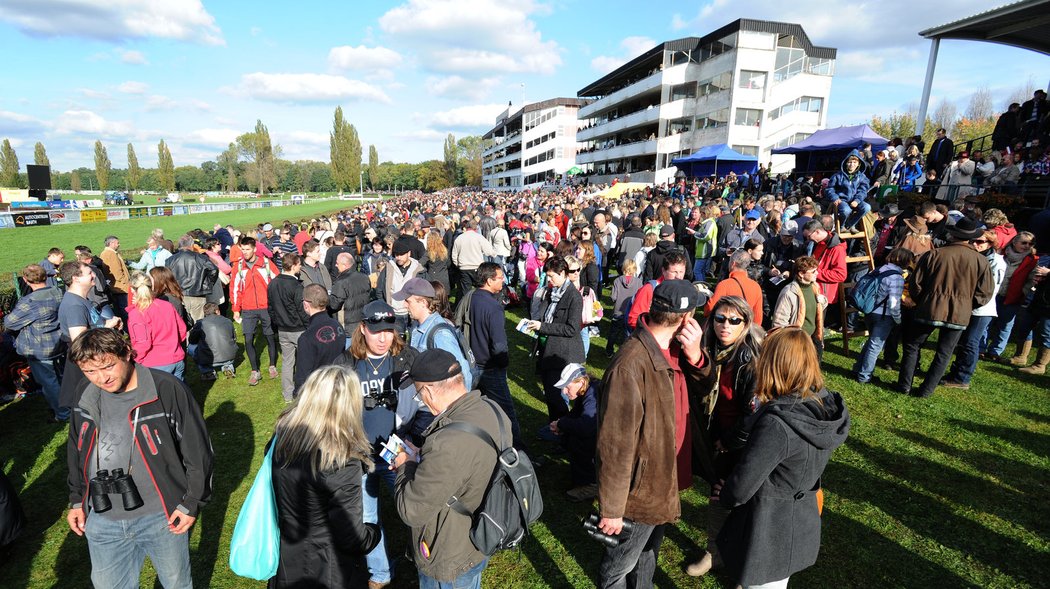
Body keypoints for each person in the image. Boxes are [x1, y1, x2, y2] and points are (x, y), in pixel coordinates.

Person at [65, 328, 213, 589]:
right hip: (102, 518)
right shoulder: (84, 391)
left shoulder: (166, 389)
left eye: (108, 366)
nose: (101, 378)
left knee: (176, 584)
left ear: (127, 354)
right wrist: (77, 499)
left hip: (161, 517)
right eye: (89, 371)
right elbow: (77, 447)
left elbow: (197, 451)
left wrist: (191, 502)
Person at [712, 327, 850, 589]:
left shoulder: (778, 424)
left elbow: (744, 483)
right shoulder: (825, 405)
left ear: (774, 364)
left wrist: (727, 494)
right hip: (799, 519)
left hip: (768, 527)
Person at [595, 280, 706, 588]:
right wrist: (613, 510)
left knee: (647, 555)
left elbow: (702, 391)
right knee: (618, 568)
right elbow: (615, 445)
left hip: (662, 482)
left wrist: (696, 355)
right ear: (685, 318)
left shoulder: (673, 349)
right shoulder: (630, 366)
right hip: (640, 493)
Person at [391, 348, 511, 589]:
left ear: (428, 391)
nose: (420, 401)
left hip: (449, 553)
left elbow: (412, 510)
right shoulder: (494, 410)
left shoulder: (447, 443)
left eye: (418, 395)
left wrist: (406, 465)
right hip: (481, 534)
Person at [336, 299, 423, 589]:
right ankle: (381, 572)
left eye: (389, 330)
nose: (384, 337)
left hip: (398, 450)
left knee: (415, 509)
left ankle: (424, 561)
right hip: (359, 454)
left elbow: (426, 403)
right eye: (376, 331)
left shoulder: (407, 357)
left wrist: (415, 440)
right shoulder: (346, 362)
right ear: (363, 329)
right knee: (367, 515)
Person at [269, 365, 381, 588]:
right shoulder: (340, 460)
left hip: (287, 558)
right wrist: (373, 532)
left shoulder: (282, 440)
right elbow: (351, 537)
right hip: (328, 569)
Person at [686, 295, 765, 579]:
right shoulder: (708, 348)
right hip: (715, 437)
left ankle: (744, 564)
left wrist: (729, 442)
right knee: (717, 495)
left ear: (746, 323)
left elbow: (754, 414)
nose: (726, 326)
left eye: (734, 320)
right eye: (720, 318)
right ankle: (714, 552)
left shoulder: (751, 358)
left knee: (742, 501)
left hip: (742, 444)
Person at [898, 218, 995, 397]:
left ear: (953, 234)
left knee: (913, 345)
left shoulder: (934, 255)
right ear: (971, 238)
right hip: (958, 314)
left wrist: (922, 300)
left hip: (930, 308)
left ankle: (905, 386)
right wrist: (966, 305)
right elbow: (985, 293)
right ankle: (926, 391)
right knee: (944, 353)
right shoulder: (981, 261)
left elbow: (915, 284)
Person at [469, 262, 525, 450]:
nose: (504, 281)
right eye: (500, 278)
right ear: (489, 280)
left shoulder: (472, 298)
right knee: (506, 412)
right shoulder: (493, 306)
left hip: (472, 363)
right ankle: (518, 452)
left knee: (479, 410)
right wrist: (503, 362)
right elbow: (499, 344)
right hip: (490, 367)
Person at [3, 264, 68, 422]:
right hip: (60, 342)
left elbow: (10, 323)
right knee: (61, 377)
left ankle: (63, 414)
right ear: (45, 276)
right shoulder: (59, 292)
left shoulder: (29, 301)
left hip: (40, 347)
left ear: (25, 280)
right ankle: (69, 406)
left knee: (49, 382)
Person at [524, 256, 585, 423]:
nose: (549, 280)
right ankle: (555, 426)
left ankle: (562, 428)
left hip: (564, 353)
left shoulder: (574, 297)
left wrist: (542, 327)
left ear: (563, 273)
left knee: (558, 396)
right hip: (548, 348)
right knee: (551, 394)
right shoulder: (551, 292)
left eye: (552, 276)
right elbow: (546, 317)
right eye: (548, 276)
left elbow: (571, 328)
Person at [943, 230, 1006, 389]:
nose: (976, 244)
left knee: (971, 342)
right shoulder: (975, 256)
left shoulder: (996, 261)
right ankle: (956, 373)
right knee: (963, 342)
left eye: (981, 242)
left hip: (982, 308)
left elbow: (990, 287)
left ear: (990, 244)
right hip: (967, 306)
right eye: (974, 241)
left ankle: (962, 378)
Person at [57, 261, 122, 410]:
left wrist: (108, 322)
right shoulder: (74, 305)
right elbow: (79, 340)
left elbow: (92, 323)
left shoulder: (81, 300)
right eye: (89, 273)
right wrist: (107, 326)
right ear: (76, 278)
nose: (94, 275)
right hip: (88, 366)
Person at [397, 277, 475, 390]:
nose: (404, 305)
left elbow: (462, 373)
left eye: (407, 301)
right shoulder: (415, 326)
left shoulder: (440, 334)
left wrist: (458, 406)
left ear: (423, 302)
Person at [852, 248, 913, 385]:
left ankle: (858, 369)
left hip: (870, 312)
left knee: (870, 343)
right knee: (875, 347)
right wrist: (898, 320)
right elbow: (894, 303)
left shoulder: (878, 270)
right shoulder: (896, 278)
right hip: (884, 316)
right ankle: (864, 376)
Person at [543, 363, 600, 502]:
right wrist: (561, 423)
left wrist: (562, 424)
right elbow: (576, 413)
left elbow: (587, 426)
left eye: (567, 387)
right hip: (598, 430)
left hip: (605, 437)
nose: (564, 392)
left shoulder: (592, 395)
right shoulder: (585, 389)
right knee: (545, 433)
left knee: (578, 441)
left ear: (581, 382)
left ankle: (591, 484)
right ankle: (582, 476)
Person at [231, 237, 280, 386]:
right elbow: (235, 289)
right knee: (247, 339)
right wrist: (235, 309)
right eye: (242, 249)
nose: (244, 252)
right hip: (248, 309)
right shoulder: (239, 266)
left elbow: (277, 283)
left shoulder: (266, 263)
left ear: (254, 249)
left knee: (270, 337)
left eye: (247, 249)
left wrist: (276, 305)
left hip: (266, 307)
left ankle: (272, 365)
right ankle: (255, 370)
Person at [127, 271, 188, 380]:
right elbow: (182, 330)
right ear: (152, 286)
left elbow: (142, 344)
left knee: (162, 396)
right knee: (180, 394)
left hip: (155, 364)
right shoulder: (167, 305)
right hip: (176, 358)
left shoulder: (137, 314)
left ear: (132, 290)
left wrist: (136, 360)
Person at [268, 253, 310, 402]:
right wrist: (309, 326)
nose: (300, 267)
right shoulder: (296, 285)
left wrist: (278, 323)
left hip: (282, 330)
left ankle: (287, 394)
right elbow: (302, 309)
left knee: (287, 362)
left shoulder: (272, 283)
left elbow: (271, 309)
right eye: (299, 264)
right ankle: (304, 392)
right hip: (298, 329)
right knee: (304, 362)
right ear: (293, 266)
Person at [293, 284, 346, 396]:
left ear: (306, 304)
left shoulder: (306, 338)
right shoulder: (337, 326)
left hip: (319, 394)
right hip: (340, 387)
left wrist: (298, 397)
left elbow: (302, 376)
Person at [771, 256, 827, 360]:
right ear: (801, 274)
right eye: (813, 271)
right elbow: (779, 323)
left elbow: (817, 307)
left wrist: (823, 301)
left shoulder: (815, 286)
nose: (817, 273)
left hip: (814, 339)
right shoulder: (789, 292)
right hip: (797, 343)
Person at [378, 238, 426, 336]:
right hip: (394, 313)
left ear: (409, 253)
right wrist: (386, 308)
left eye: (401, 254)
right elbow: (379, 290)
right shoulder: (388, 268)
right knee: (397, 343)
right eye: (396, 255)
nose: (398, 257)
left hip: (413, 314)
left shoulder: (419, 270)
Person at [167, 236, 219, 323]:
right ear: (192, 245)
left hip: (178, 295)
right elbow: (214, 270)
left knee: (182, 322)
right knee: (198, 322)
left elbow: (166, 276)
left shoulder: (170, 260)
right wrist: (207, 284)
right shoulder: (201, 258)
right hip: (197, 294)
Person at [705, 250, 764, 325]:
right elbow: (758, 318)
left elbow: (709, 310)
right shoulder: (756, 286)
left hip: (726, 328)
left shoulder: (724, 285)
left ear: (733, 264)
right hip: (745, 329)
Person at [824, 150, 871, 232]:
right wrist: (835, 198)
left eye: (854, 162)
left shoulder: (862, 177)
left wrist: (857, 200)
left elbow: (863, 191)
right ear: (846, 163)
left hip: (856, 200)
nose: (852, 164)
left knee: (867, 207)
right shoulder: (838, 176)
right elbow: (829, 188)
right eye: (850, 162)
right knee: (846, 210)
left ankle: (850, 225)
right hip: (842, 200)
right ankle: (842, 226)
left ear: (858, 164)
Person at [329, 252, 372, 341]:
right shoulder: (364, 277)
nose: (336, 265)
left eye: (337, 263)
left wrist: (326, 299)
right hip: (362, 324)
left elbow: (334, 305)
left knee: (348, 353)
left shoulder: (341, 282)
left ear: (345, 265)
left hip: (347, 328)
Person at [187, 303, 237, 380]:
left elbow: (192, 340)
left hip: (208, 358)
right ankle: (228, 366)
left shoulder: (200, 323)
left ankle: (207, 371)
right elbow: (234, 338)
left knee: (190, 347)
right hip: (229, 356)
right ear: (217, 311)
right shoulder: (228, 321)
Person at [605, 258, 643, 356]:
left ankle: (609, 351)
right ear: (634, 270)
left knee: (613, 333)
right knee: (628, 334)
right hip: (631, 312)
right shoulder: (638, 282)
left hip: (618, 311)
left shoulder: (617, 281)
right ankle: (625, 353)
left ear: (623, 268)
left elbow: (613, 297)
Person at [451, 219, 495, 294]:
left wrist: (458, 265)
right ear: (476, 228)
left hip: (464, 267)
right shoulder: (479, 237)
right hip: (477, 267)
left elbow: (454, 255)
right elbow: (489, 251)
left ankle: (467, 304)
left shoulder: (459, 238)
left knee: (465, 291)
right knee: (480, 289)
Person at [100, 236, 131, 324]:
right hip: (120, 287)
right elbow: (117, 272)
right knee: (125, 311)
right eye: (117, 243)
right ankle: (128, 328)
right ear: (112, 243)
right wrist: (126, 281)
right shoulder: (111, 254)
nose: (119, 245)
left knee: (119, 310)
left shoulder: (105, 253)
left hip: (115, 287)